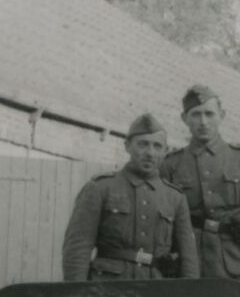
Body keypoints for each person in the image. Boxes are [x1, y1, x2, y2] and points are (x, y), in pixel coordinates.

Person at [161, 84, 240, 297]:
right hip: (190, 267)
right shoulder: (171, 164)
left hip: (238, 267)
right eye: (196, 114)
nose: (203, 121)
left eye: (209, 114)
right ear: (184, 118)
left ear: (222, 116)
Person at [62, 113, 199, 281]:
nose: (150, 153)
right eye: (143, 144)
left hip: (157, 288)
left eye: (157, 146)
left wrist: (188, 294)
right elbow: (78, 247)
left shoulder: (175, 198)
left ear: (165, 151)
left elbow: (188, 258)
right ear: (127, 146)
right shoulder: (100, 188)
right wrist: (77, 293)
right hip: (107, 286)